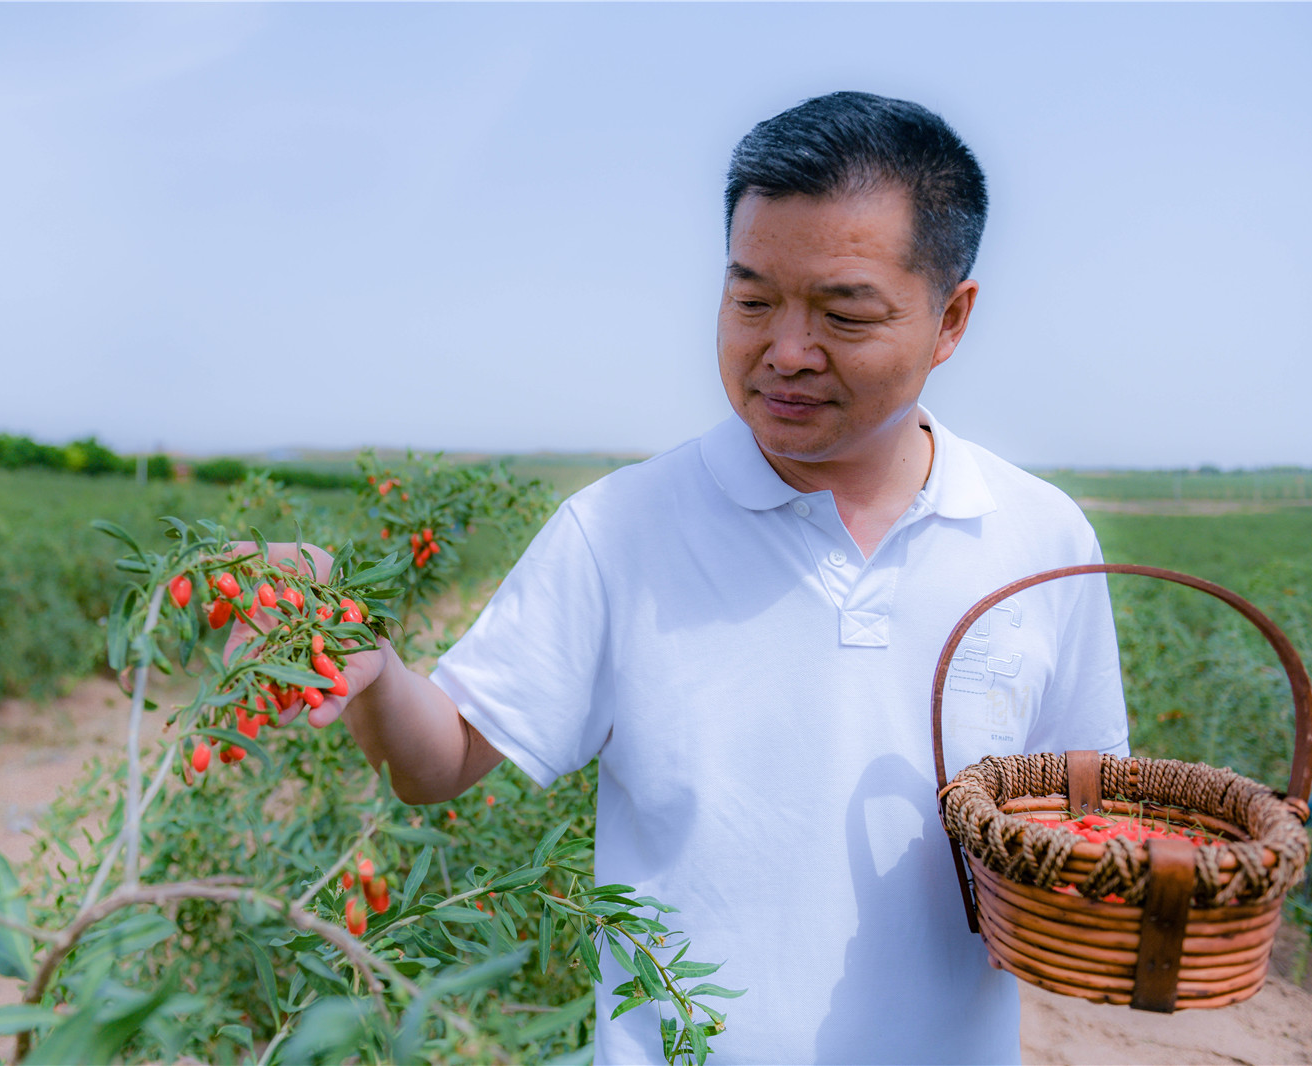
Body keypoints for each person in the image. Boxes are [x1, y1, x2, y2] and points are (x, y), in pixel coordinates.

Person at [275, 92, 1129, 1065]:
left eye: (843, 312)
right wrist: (367, 659)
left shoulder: (1040, 537)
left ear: (950, 319)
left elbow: (1091, 817)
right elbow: (436, 764)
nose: (786, 351)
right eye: (752, 299)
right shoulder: (620, 531)